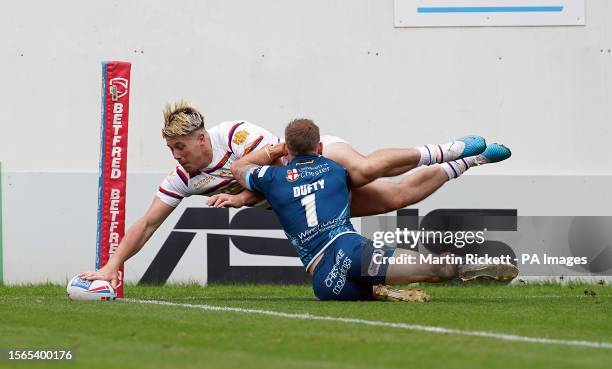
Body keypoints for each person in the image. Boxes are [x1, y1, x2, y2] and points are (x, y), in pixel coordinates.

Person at [80, 101, 498, 288]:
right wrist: (111, 266)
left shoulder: (235, 134)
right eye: (171, 149)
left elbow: (282, 160)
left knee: (367, 168)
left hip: (311, 158)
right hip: (306, 201)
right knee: (395, 199)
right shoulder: (184, 179)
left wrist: (242, 197)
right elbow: (148, 222)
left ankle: (447, 149)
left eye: (180, 147)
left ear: (202, 138)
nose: (176, 156)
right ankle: (463, 165)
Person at [230, 119, 518, 301]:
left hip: (325, 282)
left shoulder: (271, 179)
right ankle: (461, 161)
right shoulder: (334, 168)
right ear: (320, 146)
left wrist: (274, 154)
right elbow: (378, 170)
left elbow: (238, 168)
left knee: (363, 290)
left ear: (286, 151)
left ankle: (381, 291)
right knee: (433, 268)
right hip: (349, 252)